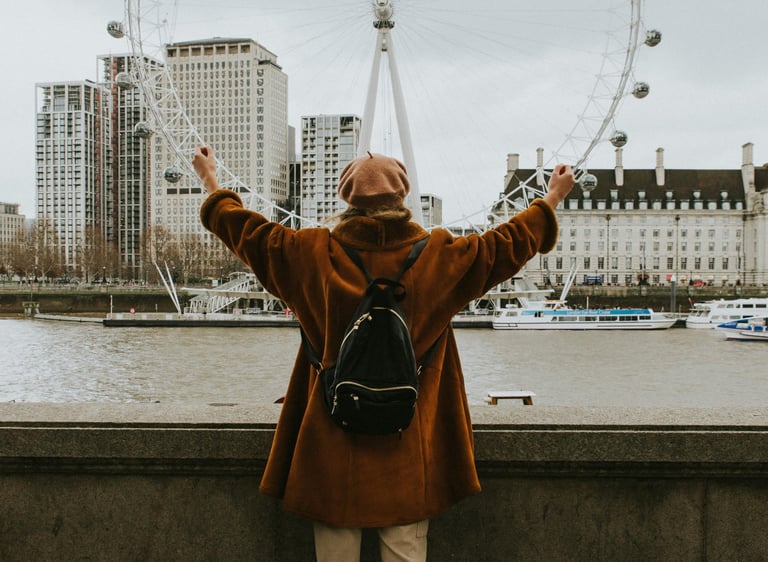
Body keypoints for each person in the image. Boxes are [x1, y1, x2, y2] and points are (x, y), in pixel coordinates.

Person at [193, 146, 575, 561]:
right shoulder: (442, 256)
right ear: (403, 197)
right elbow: (507, 244)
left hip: (332, 437)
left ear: (347, 198)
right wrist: (552, 197)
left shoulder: (308, 253)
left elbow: (244, 231)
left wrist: (211, 180)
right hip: (410, 440)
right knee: (405, 548)